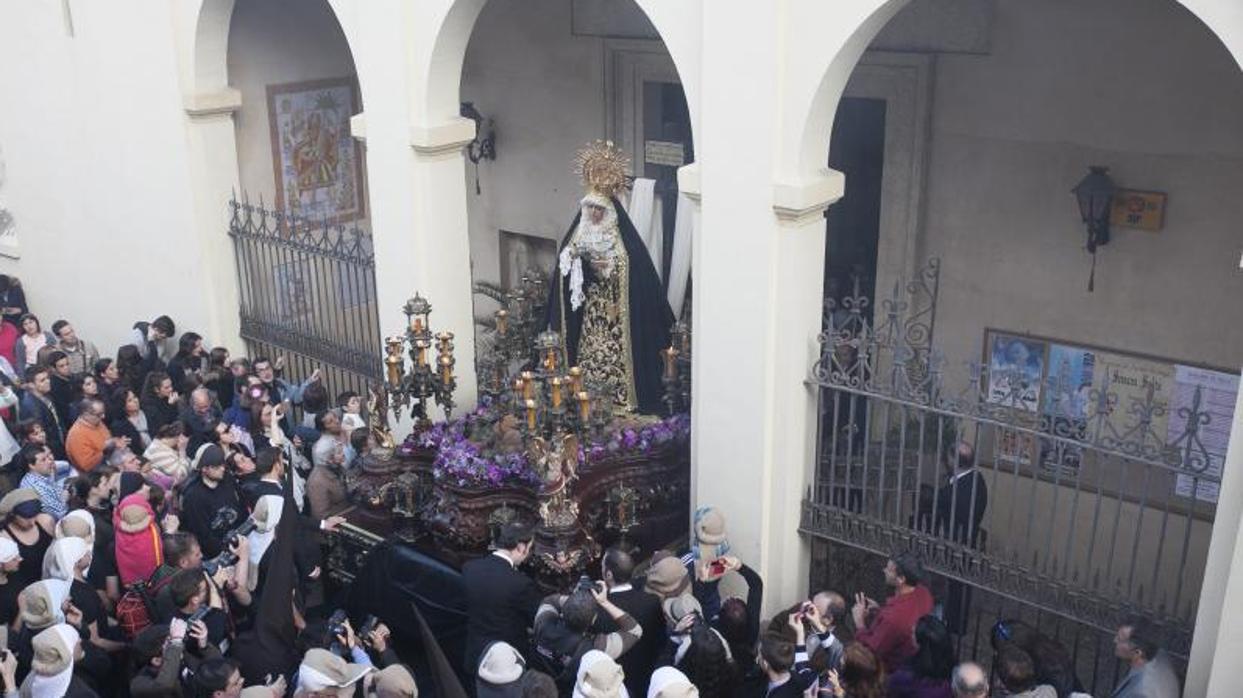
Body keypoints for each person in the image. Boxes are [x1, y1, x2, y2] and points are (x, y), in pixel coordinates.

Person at [545, 141, 674, 414]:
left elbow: (633, 271)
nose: (594, 213)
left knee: (615, 355)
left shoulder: (621, 239)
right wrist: (579, 261)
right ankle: (585, 394)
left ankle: (621, 396)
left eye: (599, 209)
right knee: (589, 353)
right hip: (591, 314)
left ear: (608, 212)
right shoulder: (581, 232)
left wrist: (611, 267)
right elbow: (566, 263)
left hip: (617, 314)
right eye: (591, 208)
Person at [463, 521, 542, 674]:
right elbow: (536, 619)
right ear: (521, 547)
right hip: (507, 662)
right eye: (529, 548)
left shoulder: (470, 568)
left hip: (475, 655)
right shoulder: (521, 583)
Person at [532, 580, 643, 690]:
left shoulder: (542, 623)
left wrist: (575, 600)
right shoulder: (596, 649)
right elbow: (634, 630)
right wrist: (604, 602)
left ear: (563, 610)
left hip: (539, 684)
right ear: (593, 620)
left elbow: (550, 601)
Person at [594, 547, 663, 697]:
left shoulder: (600, 611)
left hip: (616, 681)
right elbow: (659, 638)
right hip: (646, 674)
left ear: (609, 574)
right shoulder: (652, 601)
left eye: (602, 566)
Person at [852, 553, 934, 672]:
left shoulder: (894, 617)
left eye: (889, 570)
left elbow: (871, 651)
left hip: (891, 670)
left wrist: (859, 623)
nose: (884, 570)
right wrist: (880, 611)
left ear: (901, 579)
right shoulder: (923, 593)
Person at [181, 445, 247, 558]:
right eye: (217, 467)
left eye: (223, 464)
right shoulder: (193, 496)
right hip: (218, 553)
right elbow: (202, 534)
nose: (222, 469)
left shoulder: (227, 478)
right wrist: (226, 552)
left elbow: (241, 504)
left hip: (241, 540)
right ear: (204, 469)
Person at [19, 623, 99, 697]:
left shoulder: (32, 679)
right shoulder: (82, 693)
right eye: (75, 639)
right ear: (67, 652)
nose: (80, 640)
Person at [887, 615, 955, 698]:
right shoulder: (954, 676)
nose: (911, 632)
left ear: (919, 644)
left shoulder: (904, 678)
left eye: (913, 633)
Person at [1111, 619, 1181, 698]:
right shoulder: (1160, 658)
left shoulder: (1140, 693)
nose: (1114, 640)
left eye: (1120, 639)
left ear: (1137, 653)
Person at [65, 399, 127, 473]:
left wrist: (117, 441)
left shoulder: (97, 422)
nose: (103, 416)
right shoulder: (76, 435)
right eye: (99, 414)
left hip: (112, 461)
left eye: (103, 413)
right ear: (86, 414)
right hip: (97, 474)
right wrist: (106, 449)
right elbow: (87, 466)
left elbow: (107, 440)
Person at [19, 366, 65, 460]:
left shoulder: (47, 395)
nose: (48, 381)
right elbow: (39, 433)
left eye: (47, 378)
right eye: (42, 380)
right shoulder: (30, 406)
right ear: (31, 385)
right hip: (50, 449)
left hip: (59, 440)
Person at [17, 444, 66, 520]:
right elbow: (61, 513)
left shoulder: (42, 475)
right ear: (31, 465)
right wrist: (66, 498)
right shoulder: (35, 487)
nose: (49, 461)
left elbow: (58, 494)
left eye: (47, 457)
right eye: (43, 460)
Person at [109, 389, 151, 454]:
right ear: (123, 405)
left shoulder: (149, 412)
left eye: (135, 397)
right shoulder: (119, 425)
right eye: (129, 400)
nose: (135, 401)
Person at [141, 371, 181, 436]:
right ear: (156, 389)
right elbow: (162, 425)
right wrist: (170, 406)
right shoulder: (149, 404)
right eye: (166, 387)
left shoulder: (167, 397)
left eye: (171, 385)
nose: (171, 389)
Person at [46, 351, 76, 427]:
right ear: (53, 368)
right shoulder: (54, 385)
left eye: (67, 364)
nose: (66, 368)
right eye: (61, 366)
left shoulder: (73, 378)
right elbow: (62, 409)